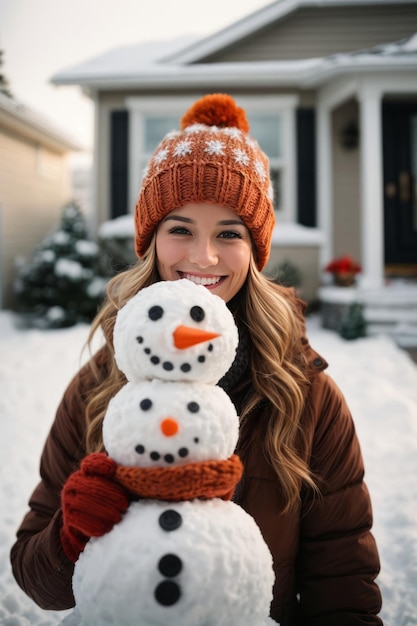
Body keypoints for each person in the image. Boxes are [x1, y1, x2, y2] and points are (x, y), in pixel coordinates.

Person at [10, 93, 383, 625]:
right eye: (180, 229)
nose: (203, 258)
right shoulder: (98, 387)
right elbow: (36, 580)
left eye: (229, 234)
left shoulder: (307, 395)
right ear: (152, 241)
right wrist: (71, 532)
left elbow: (344, 590)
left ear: (255, 250)